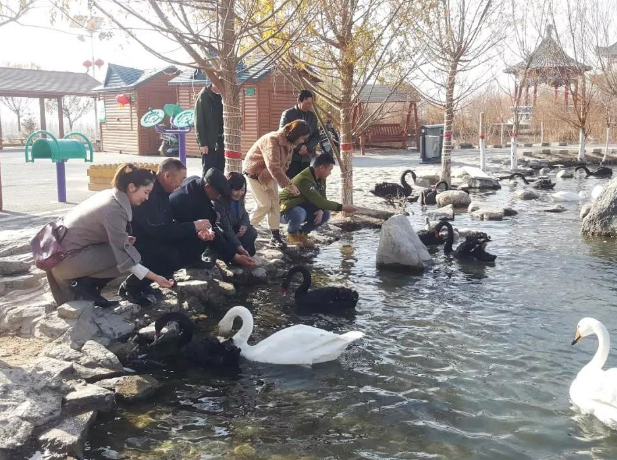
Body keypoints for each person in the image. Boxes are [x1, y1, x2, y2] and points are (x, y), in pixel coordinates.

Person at [47, 164, 174, 307]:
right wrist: (156, 278)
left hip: (64, 256)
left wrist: (124, 240)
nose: (147, 198)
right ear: (132, 187)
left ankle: (87, 286)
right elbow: (125, 258)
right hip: (66, 262)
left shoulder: (110, 195)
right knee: (132, 255)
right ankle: (82, 285)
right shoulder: (114, 210)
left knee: (129, 248)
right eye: (146, 192)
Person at [118, 158, 213, 306]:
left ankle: (147, 283)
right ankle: (130, 288)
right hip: (138, 241)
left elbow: (167, 223)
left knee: (194, 241)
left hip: (154, 237)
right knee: (169, 255)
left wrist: (196, 231)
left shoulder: (162, 193)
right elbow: (156, 229)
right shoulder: (149, 193)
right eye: (180, 179)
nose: (181, 184)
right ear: (167, 176)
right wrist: (192, 226)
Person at [170, 168, 256, 269]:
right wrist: (235, 257)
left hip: (188, 229)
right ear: (208, 187)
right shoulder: (186, 199)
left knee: (209, 232)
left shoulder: (202, 191)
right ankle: (189, 260)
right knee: (203, 235)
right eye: (218, 194)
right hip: (174, 237)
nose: (218, 198)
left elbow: (211, 227)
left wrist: (236, 255)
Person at [243, 120, 308, 249]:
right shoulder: (272, 140)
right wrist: (289, 184)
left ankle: (275, 236)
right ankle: (244, 232)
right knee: (264, 205)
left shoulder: (289, 143)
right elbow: (273, 166)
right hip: (255, 173)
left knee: (274, 205)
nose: (303, 141)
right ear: (296, 134)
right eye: (302, 138)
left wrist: (284, 180)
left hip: (269, 175)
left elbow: (284, 165)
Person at [280, 153, 357, 248]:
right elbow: (320, 201)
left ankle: (302, 234)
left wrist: (321, 209)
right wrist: (343, 207)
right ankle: (291, 235)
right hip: (284, 211)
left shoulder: (321, 177)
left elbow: (322, 198)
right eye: (329, 170)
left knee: (325, 213)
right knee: (300, 213)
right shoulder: (304, 179)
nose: (330, 173)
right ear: (321, 168)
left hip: (301, 206)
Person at [214, 172, 258, 257]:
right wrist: (240, 248)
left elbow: (244, 215)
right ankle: (231, 254)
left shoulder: (240, 199)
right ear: (227, 188)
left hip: (236, 231)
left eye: (242, 190)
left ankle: (238, 253)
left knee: (252, 232)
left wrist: (244, 225)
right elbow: (225, 228)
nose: (240, 193)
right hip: (224, 233)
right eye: (236, 190)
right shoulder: (219, 201)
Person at [279, 90, 319, 179]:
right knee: (291, 184)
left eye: (311, 103)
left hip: (306, 157)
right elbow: (282, 134)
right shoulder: (288, 114)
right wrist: (299, 147)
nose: (309, 106)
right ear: (299, 101)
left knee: (304, 184)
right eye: (307, 103)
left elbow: (316, 136)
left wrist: (307, 147)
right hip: (291, 158)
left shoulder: (312, 116)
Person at [194, 83, 225, 175]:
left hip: (223, 140)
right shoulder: (204, 96)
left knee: (220, 169)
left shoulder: (225, 95)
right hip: (209, 142)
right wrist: (202, 143)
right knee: (208, 171)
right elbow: (198, 121)